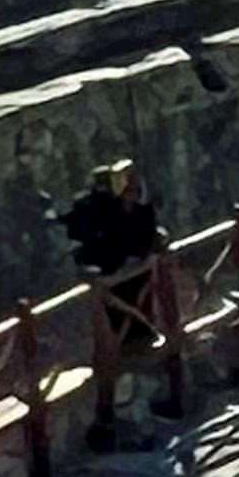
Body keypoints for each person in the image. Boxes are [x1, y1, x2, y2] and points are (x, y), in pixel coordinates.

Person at [63, 153, 175, 446]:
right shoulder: (97, 213)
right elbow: (92, 246)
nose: (133, 193)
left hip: (136, 294)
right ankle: (115, 419)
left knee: (137, 341)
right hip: (114, 293)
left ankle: (146, 403)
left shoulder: (137, 212)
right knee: (116, 349)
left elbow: (146, 237)